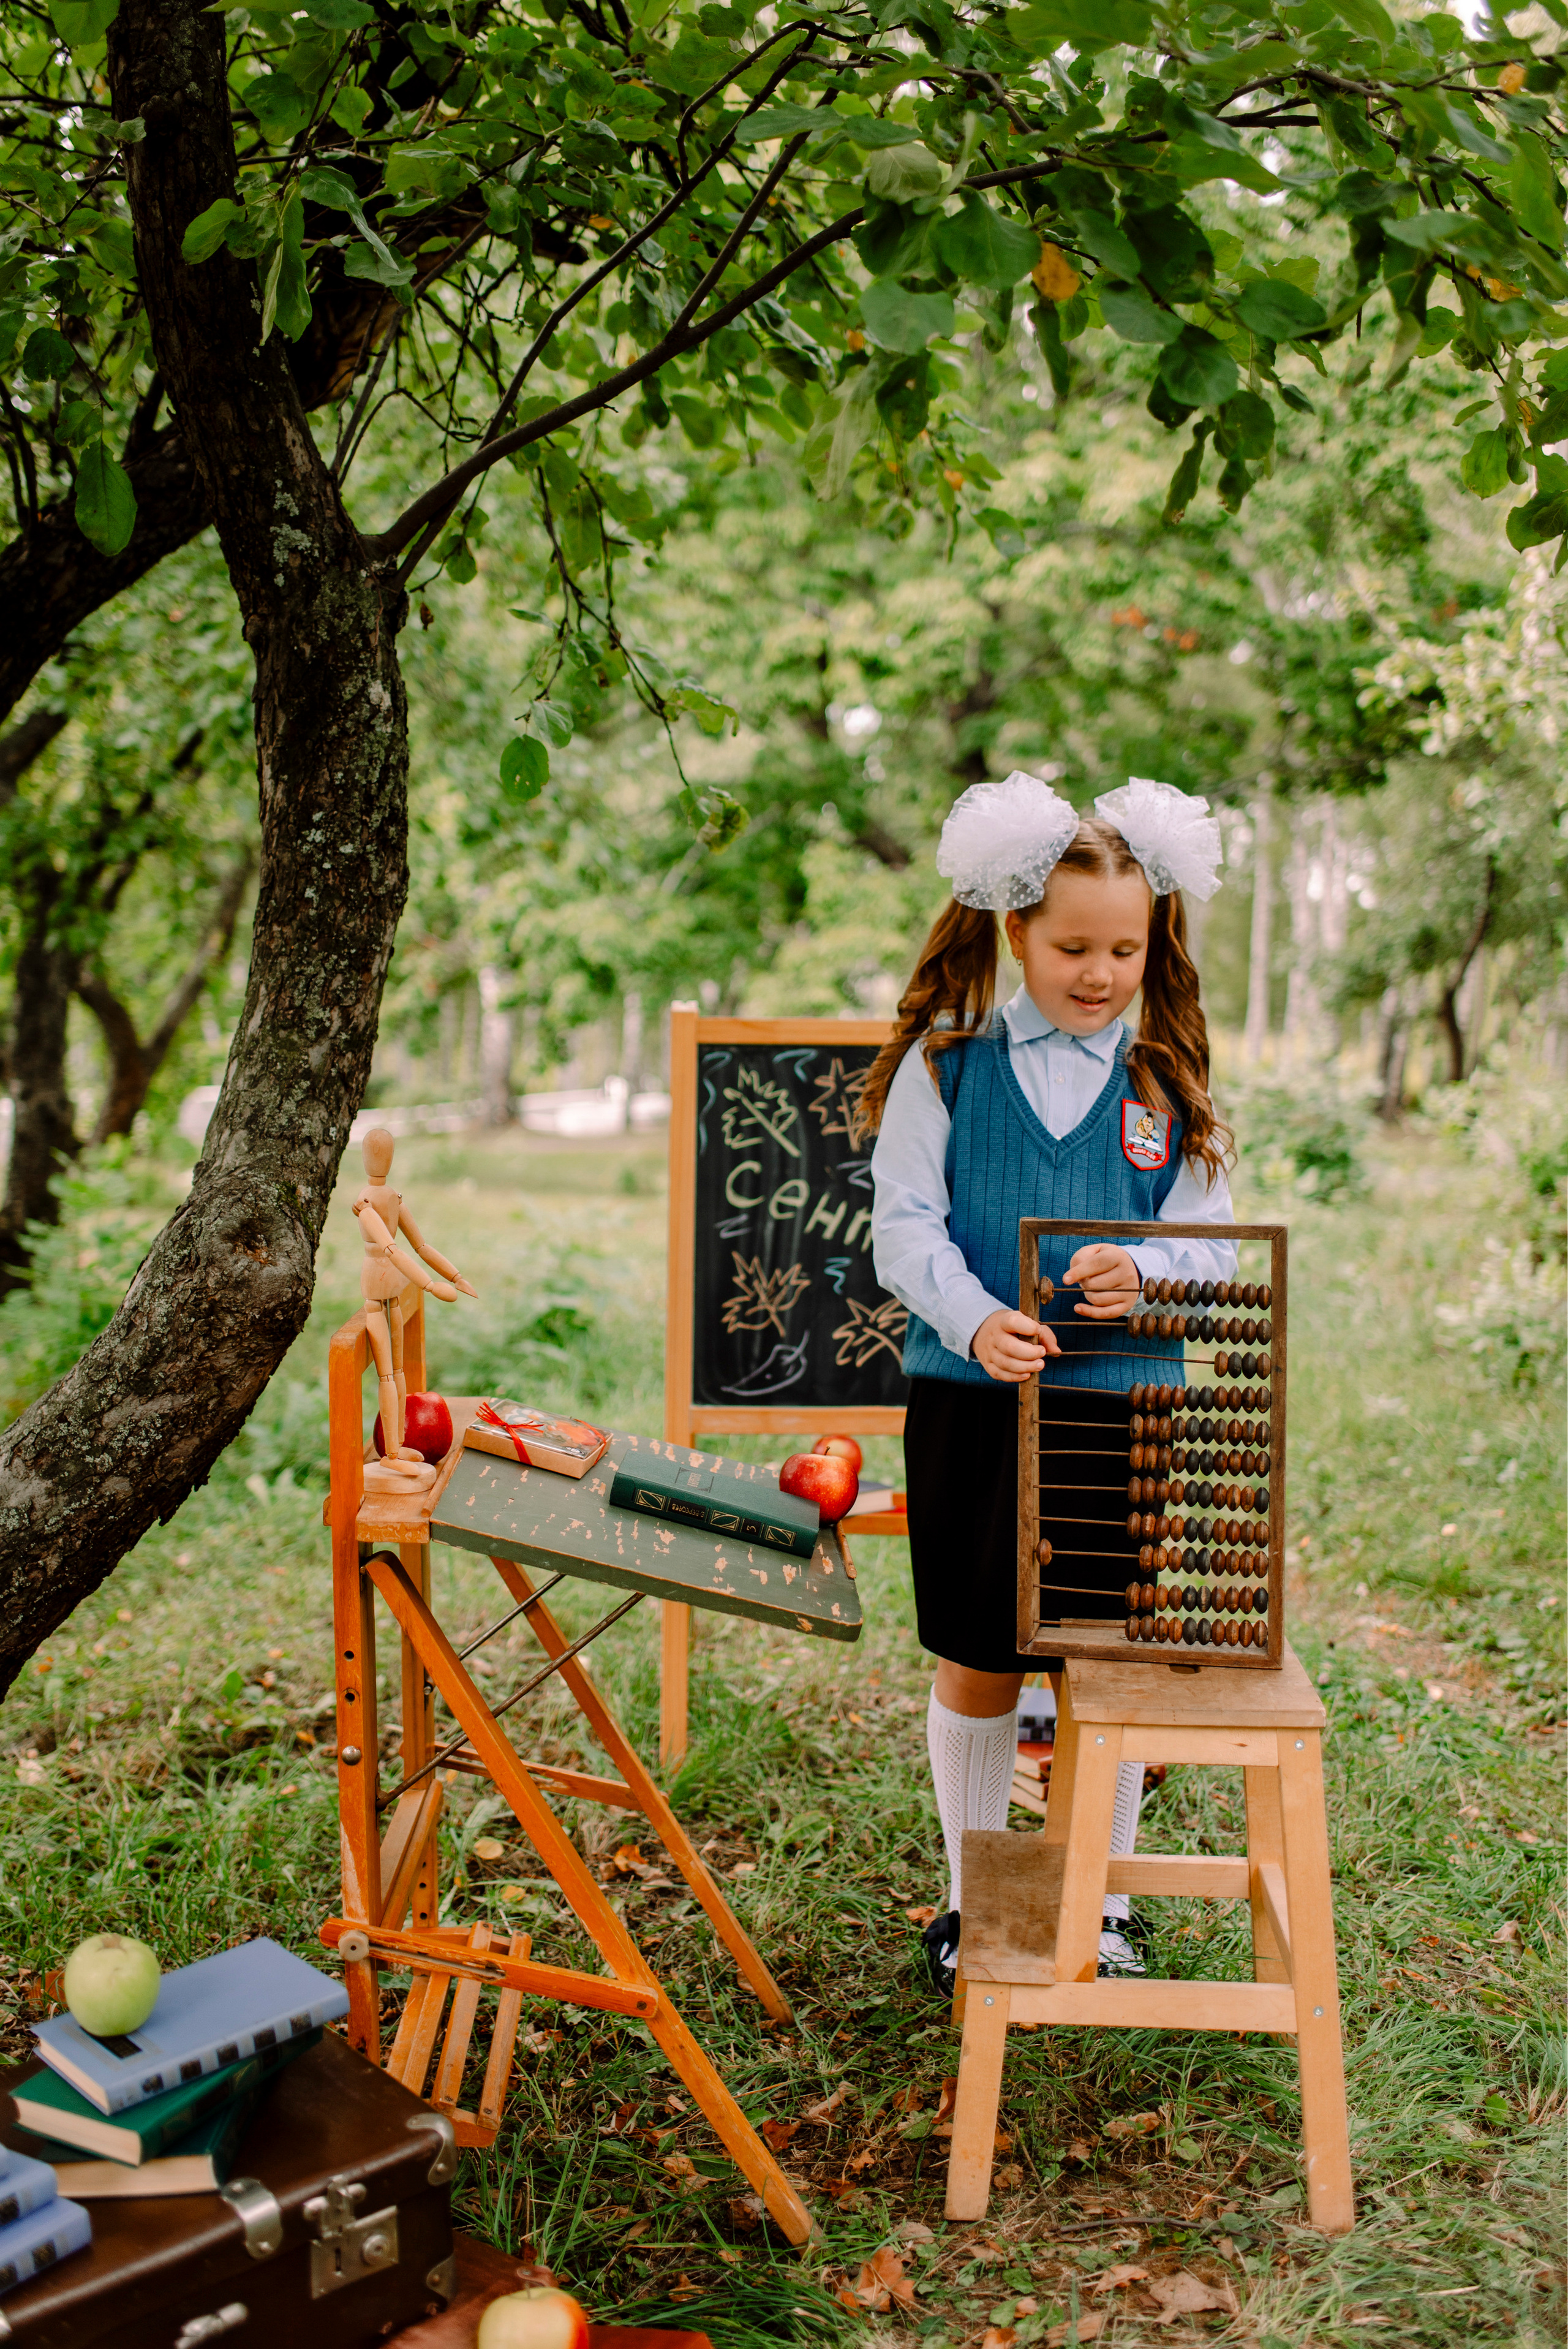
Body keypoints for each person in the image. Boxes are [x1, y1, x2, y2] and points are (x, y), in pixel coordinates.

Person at [862, 773, 1238, 1992]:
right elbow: (902, 1226)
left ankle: (1105, 1903)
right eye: (1071, 945)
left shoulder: (1166, 1080)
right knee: (979, 1648)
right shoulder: (949, 1065)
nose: (1097, 971)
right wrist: (974, 1321)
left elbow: (1211, 1242)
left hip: (1118, 1403)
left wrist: (1151, 1268)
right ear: (1012, 929)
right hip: (970, 1397)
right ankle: (977, 1902)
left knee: (1105, 1655)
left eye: (1122, 947)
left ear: (1153, 942)